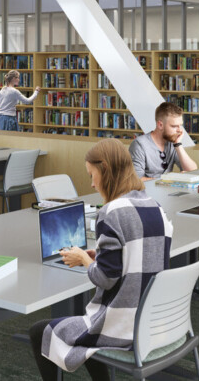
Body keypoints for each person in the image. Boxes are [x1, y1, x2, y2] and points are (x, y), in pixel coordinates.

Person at [28, 138, 174, 381]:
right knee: (83, 336)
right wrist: (99, 256)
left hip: (123, 326)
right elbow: (143, 257)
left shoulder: (111, 213)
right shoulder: (156, 207)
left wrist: (85, 260)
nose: (92, 184)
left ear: (105, 170)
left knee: (38, 331)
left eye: (92, 175)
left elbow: (105, 279)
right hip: (153, 321)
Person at [129, 102, 198, 180]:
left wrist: (178, 144)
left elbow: (193, 172)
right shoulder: (139, 145)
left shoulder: (173, 142)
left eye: (180, 125)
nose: (179, 130)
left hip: (167, 190)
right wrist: (170, 180)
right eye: (174, 126)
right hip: (147, 191)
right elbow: (136, 180)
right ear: (160, 125)